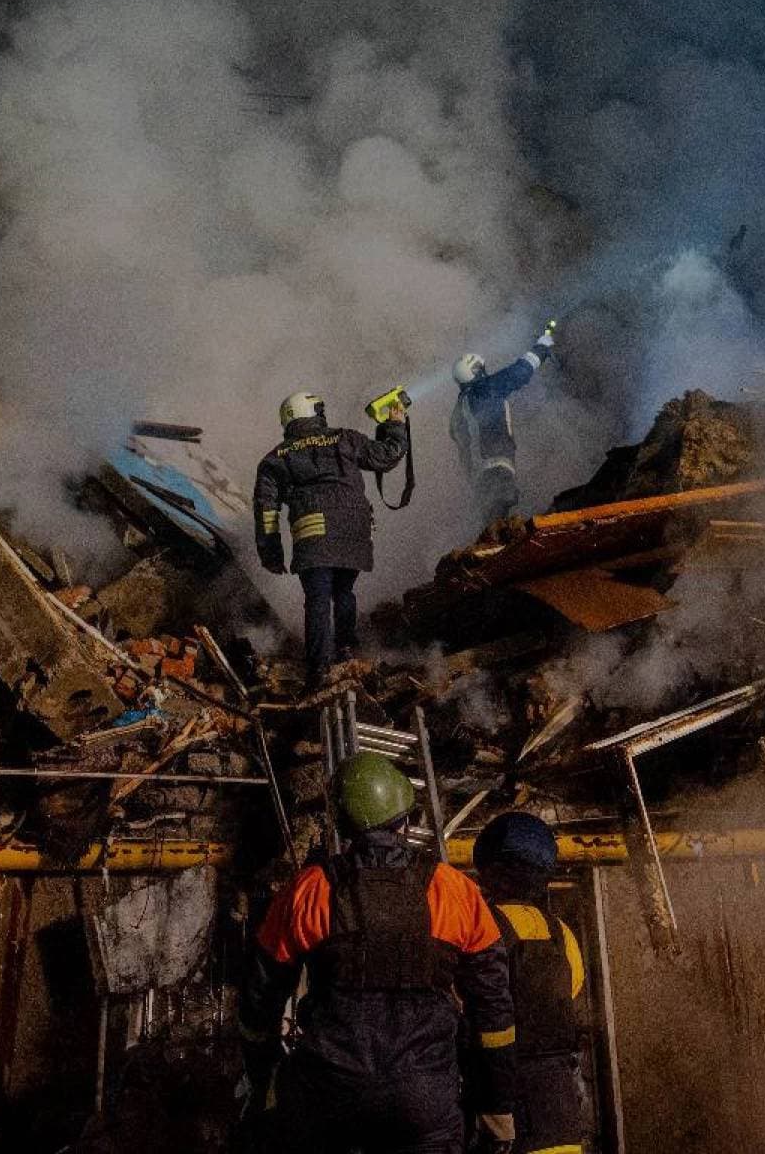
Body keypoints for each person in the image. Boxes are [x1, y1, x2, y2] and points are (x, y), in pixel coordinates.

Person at [239, 754, 519, 1154]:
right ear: (404, 821)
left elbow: (258, 1005)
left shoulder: (309, 890)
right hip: (425, 1102)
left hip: (329, 1097)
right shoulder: (452, 889)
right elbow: (493, 1012)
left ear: (341, 825)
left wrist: (262, 1082)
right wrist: (497, 1111)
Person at [254, 391, 409, 687]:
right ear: (314, 412)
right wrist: (395, 425)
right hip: (353, 533)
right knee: (344, 592)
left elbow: (266, 510)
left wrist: (271, 553)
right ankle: (346, 649)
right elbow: (388, 455)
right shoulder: (345, 438)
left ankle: (319, 670)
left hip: (313, 537)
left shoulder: (275, 459)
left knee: (318, 599)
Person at [471, 812, 589, 1154]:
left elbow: (463, 1007)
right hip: (561, 1106)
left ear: (488, 869)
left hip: (502, 1109)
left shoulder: (480, 930)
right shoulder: (562, 933)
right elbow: (572, 991)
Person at [450, 325, 556, 526]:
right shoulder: (484, 390)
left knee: (492, 523)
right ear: (477, 372)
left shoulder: (458, 411)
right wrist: (541, 348)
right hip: (497, 472)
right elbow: (518, 373)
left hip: (480, 481)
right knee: (503, 525)